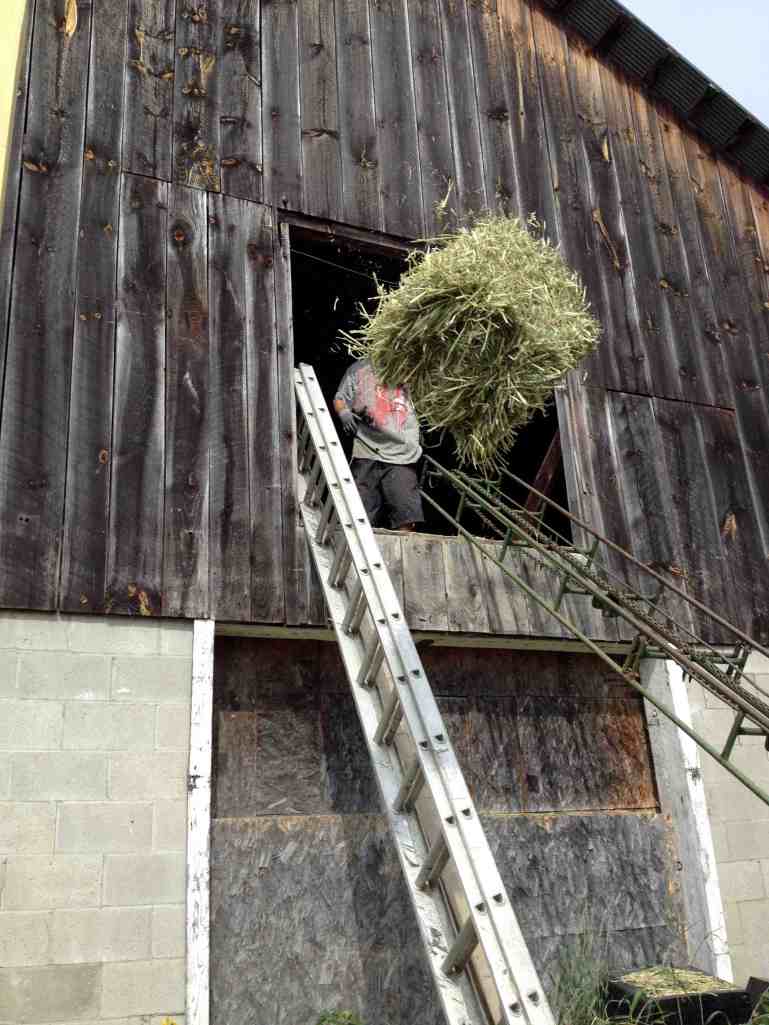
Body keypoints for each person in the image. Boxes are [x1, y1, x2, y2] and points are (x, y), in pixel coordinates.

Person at [334, 358, 423, 532]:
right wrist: (343, 412)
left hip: (402, 454)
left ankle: (403, 553)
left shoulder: (411, 367)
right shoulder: (360, 369)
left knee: (405, 511)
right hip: (367, 450)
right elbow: (340, 398)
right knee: (358, 513)